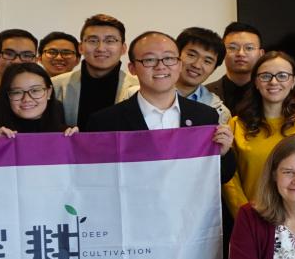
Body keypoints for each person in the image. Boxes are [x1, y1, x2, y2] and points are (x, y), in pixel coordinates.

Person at [88, 31, 236, 183]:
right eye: (149, 60)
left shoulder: (205, 116)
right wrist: (76, 147)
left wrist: (223, 154)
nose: (161, 66)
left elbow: (220, 178)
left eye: (169, 58)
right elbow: (94, 180)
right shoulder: (104, 122)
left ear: (179, 64)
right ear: (132, 68)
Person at [222, 52, 295, 218]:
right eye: (265, 76)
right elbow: (230, 180)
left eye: (282, 76)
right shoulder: (236, 124)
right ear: (256, 82)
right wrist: (246, 215)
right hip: (251, 217)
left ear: (293, 81)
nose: (273, 82)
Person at [52, 14, 140, 130]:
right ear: (80, 47)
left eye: (110, 41)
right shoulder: (54, 86)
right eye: (93, 41)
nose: (101, 48)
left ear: (123, 48)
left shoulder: (139, 87)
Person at [0, 63, 71, 136]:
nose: (26, 99)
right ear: (7, 96)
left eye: (35, 90)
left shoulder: (66, 133)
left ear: (49, 92)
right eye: (17, 92)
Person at [174, 26, 230, 123]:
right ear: (176, 54)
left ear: (214, 69)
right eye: (191, 55)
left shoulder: (219, 112)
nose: (197, 65)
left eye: (207, 61)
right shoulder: (148, 95)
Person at [206, 21, 263, 116]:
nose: (241, 53)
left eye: (249, 48)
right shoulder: (205, 93)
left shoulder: (270, 92)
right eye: (232, 48)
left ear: (261, 54)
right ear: (222, 52)